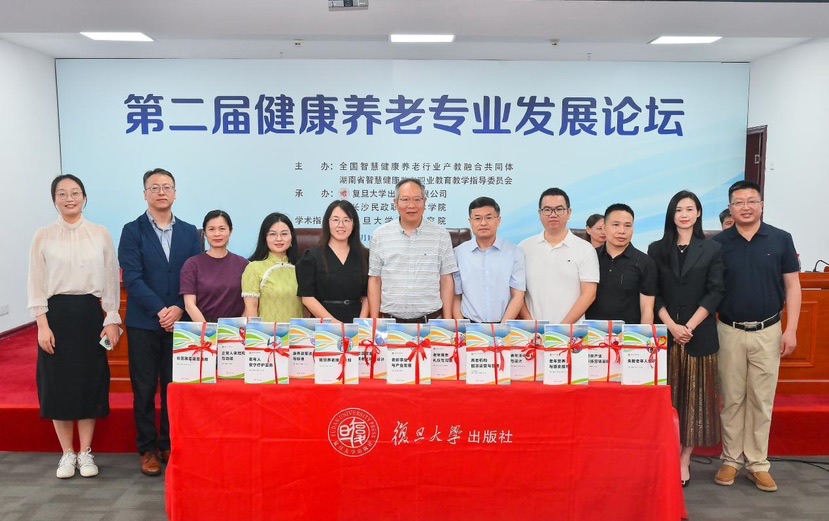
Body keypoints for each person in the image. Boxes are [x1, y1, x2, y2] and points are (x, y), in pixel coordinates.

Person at [28, 174, 121, 479]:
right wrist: (42, 324)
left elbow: (111, 278)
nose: (69, 198)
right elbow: (36, 282)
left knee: (89, 382)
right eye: (62, 193)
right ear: (54, 199)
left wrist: (111, 317)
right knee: (58, 384)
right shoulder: (43, 235)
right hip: (56, 316)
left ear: (85, 197)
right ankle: (67, 453)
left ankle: (85, 452)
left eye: (75, 192)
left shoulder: (100, 233)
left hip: (89, 316)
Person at [711, 180, 800, 493]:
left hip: (768, 331)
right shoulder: (719, 244)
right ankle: (731, 459)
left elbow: (792, 285)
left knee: (762, 400)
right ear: (730, 208)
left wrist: (791, 329)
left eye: (751, 201)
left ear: (761, 205)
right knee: (732, 398)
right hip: (729, 330)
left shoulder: (780, 239)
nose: (745, 207)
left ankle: (758, 463)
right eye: (739, 202)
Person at [118, 168, 202, 476]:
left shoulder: (190, 232)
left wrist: (178, 308)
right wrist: (161, 310)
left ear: (175, 193)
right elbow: (132, 277)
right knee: (143, 388)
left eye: (167, 187)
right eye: (154, 187)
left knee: (173, 386)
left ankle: (168, 442)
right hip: (143, 323)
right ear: (145, 194)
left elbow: (196, 276)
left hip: (180, 323)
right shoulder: (132, 231)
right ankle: (147, 448)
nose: (161, 192)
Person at [647, 190, 725, 488]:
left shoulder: (712, 249)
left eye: (690, 209)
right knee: (667, 400)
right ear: (671, 214)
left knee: (694, 401)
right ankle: (665, 453)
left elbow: (716, 291)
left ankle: (684, 459)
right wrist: (671, 326)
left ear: (698, 213)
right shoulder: (656, 249)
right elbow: (653, 293)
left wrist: (688, 327)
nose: (684, 214)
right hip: (666, 335)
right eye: (679, 209)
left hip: (698, 335)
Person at [368, 178, 458, 323]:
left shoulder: (441, 235)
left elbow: (446, 279)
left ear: (425, 202)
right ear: (396, 203)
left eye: (417, 199)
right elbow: (375, 279)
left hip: (431, 322)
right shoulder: (380, 235)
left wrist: (447, 321)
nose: (411, 205)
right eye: (405, 200)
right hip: (391, 323)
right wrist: (375, 322)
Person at [519, 187, 599, 323]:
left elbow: (589, 294)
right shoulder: (524, 248)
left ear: (569, 213)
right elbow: (517, 293)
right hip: (533, 332)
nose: (553, 214)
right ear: (540, 213)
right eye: (547, 210)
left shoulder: (585, 249)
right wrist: (532, 325)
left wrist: (560, 329)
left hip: (572, 331)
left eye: (559, 209)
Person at [453, 197, 525, 323]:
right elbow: (455, 296)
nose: (483, 223)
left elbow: (518, 295)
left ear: (498, 220)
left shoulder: (514, 253)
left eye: (489, 217)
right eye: (477, 218)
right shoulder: (458, 253)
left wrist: (502, 327)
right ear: (470, 222)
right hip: (469, 325)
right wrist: (462, 327)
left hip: (503, 325)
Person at [296, 200, 368, 322]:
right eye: (335, 220)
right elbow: (307, 298)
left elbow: (367, 296)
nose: (341, 225)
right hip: (323, 324)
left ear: (354, 224)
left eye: (346, 220)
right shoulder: (312, 256)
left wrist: (361, 322)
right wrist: (335, 323)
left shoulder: (364, 255)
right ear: (327, 223)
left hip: (356, 323)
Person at [586, 203, 656, 324]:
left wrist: (644, 334)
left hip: (629, 333)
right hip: (592, 332)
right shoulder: (590, 257)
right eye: (615, 225)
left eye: (627, 226)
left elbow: (647, 309)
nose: (622, 231)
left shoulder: (645, 262)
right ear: (604, 228)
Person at [180, 210, 249, 322]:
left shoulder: (243, 264)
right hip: (201, 328)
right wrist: (207, 329)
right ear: (205, 233)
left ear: (230, 231)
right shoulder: (192, 264)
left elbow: (249, 304)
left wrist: (237, 328)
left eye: (222, 229)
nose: (217, 234)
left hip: (234, 330)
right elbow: (189, 304)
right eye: (211, 229)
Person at [242, 212, 304, 322]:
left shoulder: (302, 267)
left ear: (292, 238)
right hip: (265, 332)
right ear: (264, 238)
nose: (279, 239)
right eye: (272, 234)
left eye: (284, 234)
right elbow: (251, 310)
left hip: (298, 332)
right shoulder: (254, 268)